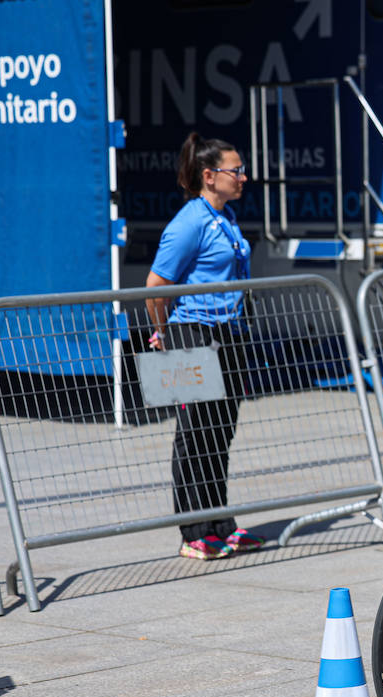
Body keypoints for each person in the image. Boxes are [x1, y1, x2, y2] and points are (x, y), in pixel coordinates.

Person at [144, 133, 264, 561]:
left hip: (227, 335)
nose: (243, 177)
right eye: (236, 170)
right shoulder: (189, 221)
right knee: (193, 434)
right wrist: (162, 333)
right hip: (190, 334)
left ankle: (220, 523)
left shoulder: (226, 216)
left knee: (220, 432)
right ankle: (193, 530)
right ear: (210, 176)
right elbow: (156, 287)